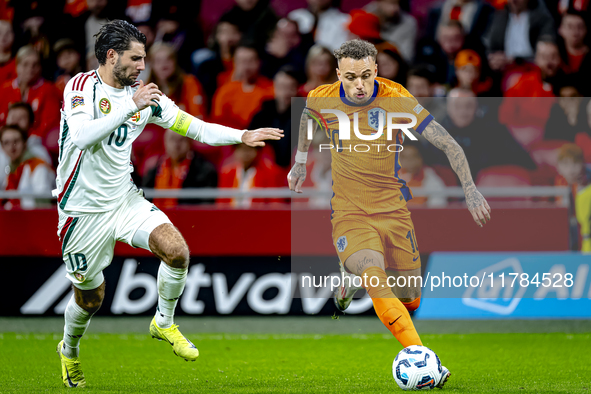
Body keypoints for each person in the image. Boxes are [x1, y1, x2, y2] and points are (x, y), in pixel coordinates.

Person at [53, 20, 283, 388]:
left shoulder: (144, 98)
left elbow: (197, 128)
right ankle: (69, 349)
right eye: (136, 58)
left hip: (124, 201)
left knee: (176, 251)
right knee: (91, 298)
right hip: (81, 212)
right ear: (111, 57)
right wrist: (130, 106)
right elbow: (81, 137)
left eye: (145, 58)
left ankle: (163, 322)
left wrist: (243, 134)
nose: (143, 67)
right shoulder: (81, 87)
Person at [288, 39, 492, 388]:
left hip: (395, 211)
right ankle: (424, 358)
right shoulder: (321, 96)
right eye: (350, 77)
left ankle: (350, 281)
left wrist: (470, 189)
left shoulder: (396, 98)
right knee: (374, 273)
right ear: (338, 74)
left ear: (376, 71)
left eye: (366, 75)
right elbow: (308, 119)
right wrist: (300, 161)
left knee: (411, 297)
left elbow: (447, 142)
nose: (359, 85)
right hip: (350, 213)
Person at [143, 129, 218, 208]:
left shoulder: (205, 171)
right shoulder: (153, 171)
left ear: (190, 142)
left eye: (181, 140)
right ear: (164, 142)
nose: (176, 145)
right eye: (172, 139)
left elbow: (205, 207)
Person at [0, 45, 62, 140]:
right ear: (17, 66)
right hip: (6, 140)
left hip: (36, 141)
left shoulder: (48, 89)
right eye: (25, 64)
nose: (30, 69)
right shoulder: (5, 89)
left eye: (35, 64)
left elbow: (50, 124)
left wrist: (23, 138)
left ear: (40, 67)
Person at [210, 43, 274, 131]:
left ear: (259, 62)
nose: (246, 67)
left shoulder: (271, 89)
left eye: (250, 61)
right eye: (242, 61)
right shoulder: (225, 91)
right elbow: (218, 123)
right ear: (234, 63)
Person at [0, 124, 54, 209]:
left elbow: (43, 206)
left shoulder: (38, 166)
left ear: (25, 143)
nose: (11, 147)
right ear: (2, 147)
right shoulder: (10, 169)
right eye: (6, 142)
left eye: (16, 141)